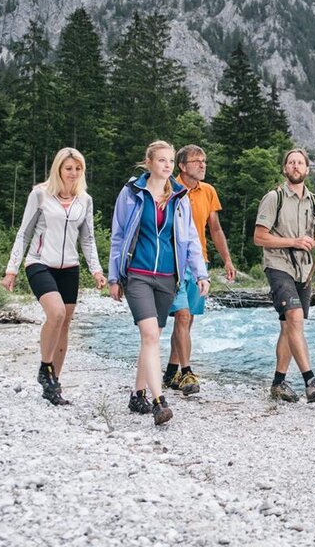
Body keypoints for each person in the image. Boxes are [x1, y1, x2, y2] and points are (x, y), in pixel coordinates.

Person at [108, 140, 210, 425]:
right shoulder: (132, 194)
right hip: (138, 274)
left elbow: (189, 240)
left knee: (151, 339)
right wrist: (114, 277)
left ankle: (136, 395)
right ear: (149, 163)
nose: (166, 165)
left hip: (168, 278)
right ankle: (158, 401)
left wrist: (201, 274)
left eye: (169, 161)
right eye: (161, 160)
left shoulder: (180, 197)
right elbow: (118, 237)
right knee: (151, 335)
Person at [1, 147, 107, 406]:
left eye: (78, 168)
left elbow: (88, 238)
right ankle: (45, 367)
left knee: (65, 324)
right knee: (56, 314)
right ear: (58, 169)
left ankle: (53, 384)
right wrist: (11, 269)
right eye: (68, 168)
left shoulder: (85, 200)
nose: (73, 173)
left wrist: (96, 269)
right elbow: (24, 233)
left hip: (70, 267)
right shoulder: (40, 194)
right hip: (39, 263)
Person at [253, 147, 315, 403]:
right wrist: (294, 242)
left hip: (304, 270)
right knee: (295, 317)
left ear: (307, 170)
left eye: (300, 163)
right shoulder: (273, 198)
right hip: (278, 266)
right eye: (291, 163)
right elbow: (259, 237)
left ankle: (278, 383)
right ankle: (310, 381)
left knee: (289, 326)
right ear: (285, 169)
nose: (296, 166)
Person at [163, 145, 237, 395]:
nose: (203, 165)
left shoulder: (208, 191)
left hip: (199, 263)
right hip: (172, 261)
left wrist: (226, 259)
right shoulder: (168, 189)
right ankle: (186, 373)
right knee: (182, 316)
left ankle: (171, 372)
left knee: (187, 319)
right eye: (197, 161)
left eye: (204, 161)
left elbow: (215, 229)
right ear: (182, 166)